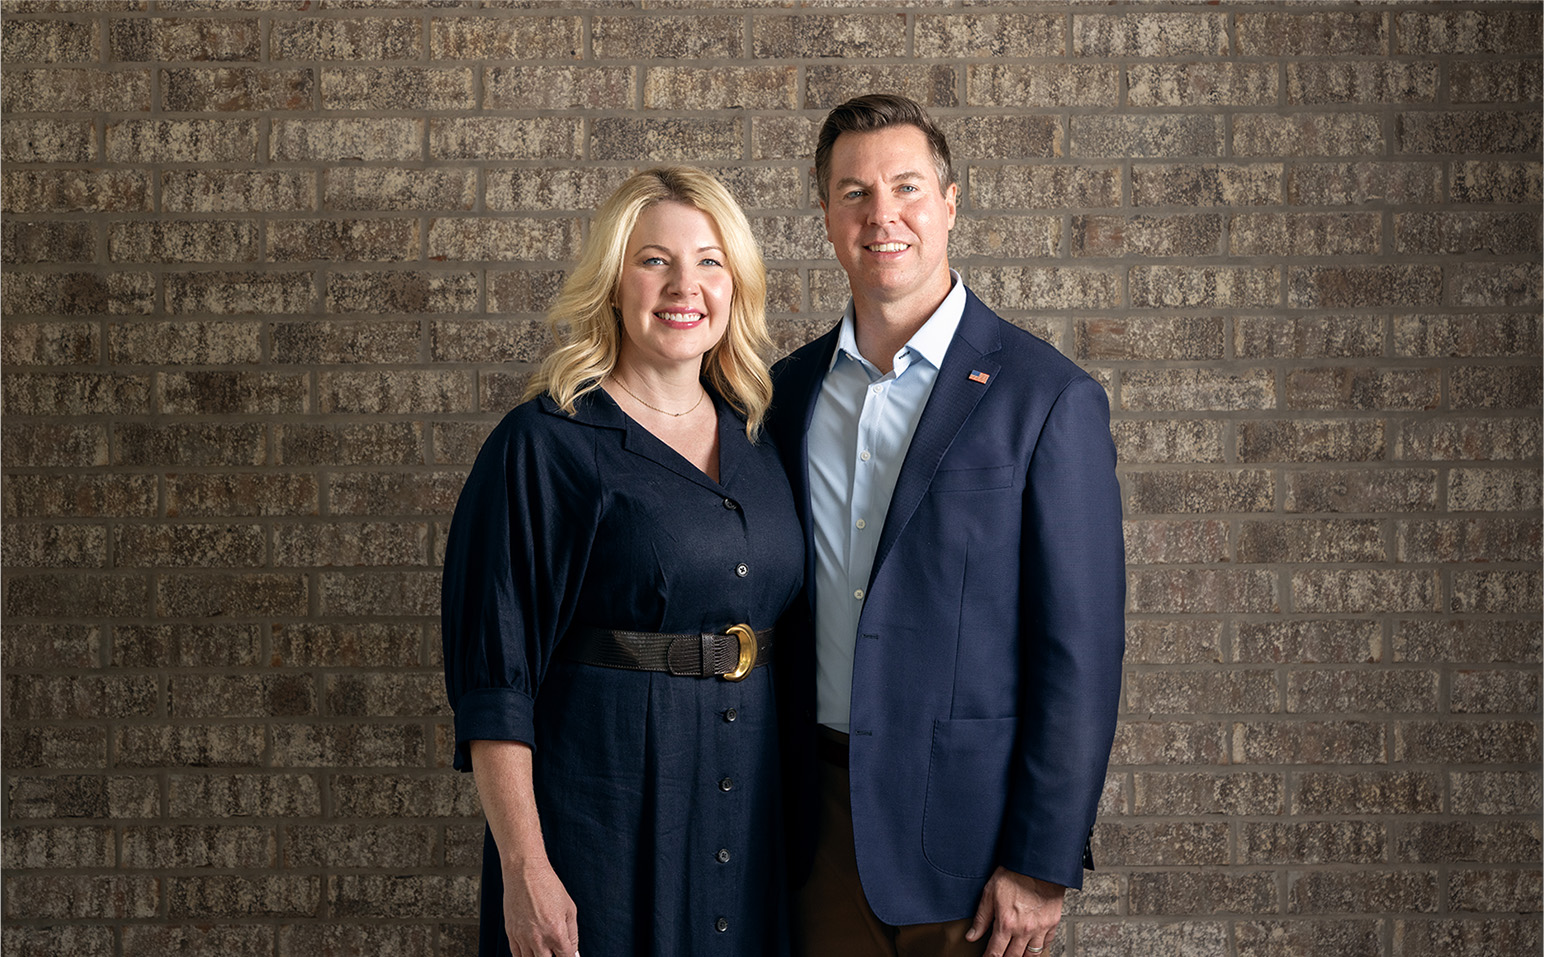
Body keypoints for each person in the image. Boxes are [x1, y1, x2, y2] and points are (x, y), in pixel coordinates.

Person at [766, 94, 1126, 957]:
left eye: (906, 187)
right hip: (813, 831)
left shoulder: (1046, 398)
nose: (881, 214)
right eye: (854, 193)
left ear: (951, 202)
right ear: (825, 217)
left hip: (972, 851)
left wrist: (1041, 861)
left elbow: (1081, 651)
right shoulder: (782, 396)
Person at [442, 166, 803, 957]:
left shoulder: (763, 438)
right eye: (654, 260)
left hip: (749, 815)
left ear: (736, 283)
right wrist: (525, 867)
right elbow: (494, 683)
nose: (685, 285)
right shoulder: (542, 446)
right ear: (612, 281)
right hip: (601, 816)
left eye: (710, 260)